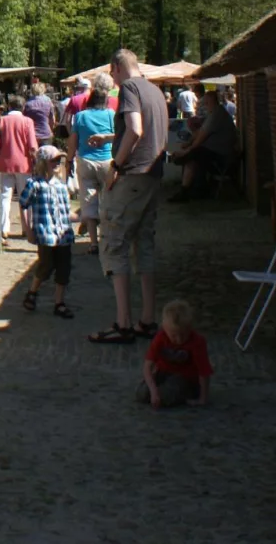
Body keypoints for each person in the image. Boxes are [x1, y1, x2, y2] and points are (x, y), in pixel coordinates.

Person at [91, 49, 170, 345]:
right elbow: (151, 133)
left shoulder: (129, 88)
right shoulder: (155, 91)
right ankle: (148, 320)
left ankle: (123, 323)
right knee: (144, 245)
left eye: (111, 73)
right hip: (153, 176)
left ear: (116, 67)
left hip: (131, 177)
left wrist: (116, 165)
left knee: (115, 244)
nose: (112, 79)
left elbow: (135, 129)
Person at [19, 145, 74, 318]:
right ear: (43, 163)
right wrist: (28, 229)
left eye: (59, 160)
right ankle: (32, 291)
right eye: (53, 160)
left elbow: (66, 211)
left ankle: (59, 302)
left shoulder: (62, 186)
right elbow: (23, 204)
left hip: (63, 234)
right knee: (46, 265)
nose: (57, 163)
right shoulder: (34, 184)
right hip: (46, 233)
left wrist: (83, 217)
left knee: (64, 268)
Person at [67, 74, 117, 254]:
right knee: (108, 199)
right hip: (107, 161)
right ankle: (107, 238)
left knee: (88, 201)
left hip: (85, 161)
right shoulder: (111, 115)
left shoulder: (80, 117)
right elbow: (118, 137)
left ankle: (93, 243)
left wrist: (68, 160)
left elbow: (73, 141)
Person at [138, 300, 213, 408]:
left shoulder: (197, 342)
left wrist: (203, 398)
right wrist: (153, 389)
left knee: (166, 395)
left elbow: (204, 372)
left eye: (183, 335)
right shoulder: (160, 338)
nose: (179, 339)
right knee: (142, 393)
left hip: (186, 378)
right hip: (164, 372)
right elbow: (147, 366)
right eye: (173, 335)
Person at [169, 87, 239, 202]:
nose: (204, 105)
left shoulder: (217, 114)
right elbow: (200, 132)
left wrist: (187, 150)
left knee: (193, 154)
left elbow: (201, 137)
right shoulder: (214, 113)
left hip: (222, 157)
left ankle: (185, 190)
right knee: (192, 157)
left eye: (206, 102)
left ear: (210, 102)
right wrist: (188, 143)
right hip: (218, 153)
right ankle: (187, 190)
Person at [0, 94, 37, 239]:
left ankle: (3, 228)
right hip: (24, 164)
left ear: (9, 106)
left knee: (4, 196)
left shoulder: (2, 121)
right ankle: (27, 227)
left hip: (4, 163)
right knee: (25, 197)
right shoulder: (27, 121)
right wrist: (36, 160)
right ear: (23, 107)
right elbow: (32, 145)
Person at [24, 80, 56, 149]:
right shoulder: (48, 101)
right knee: (46, 154)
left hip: (32, 135)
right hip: (45, 133)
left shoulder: (27, 104)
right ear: (43, 89)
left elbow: (25, 121)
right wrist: (51, 130)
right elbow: (52, 119)